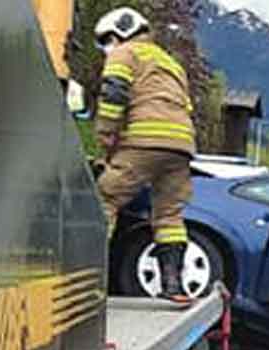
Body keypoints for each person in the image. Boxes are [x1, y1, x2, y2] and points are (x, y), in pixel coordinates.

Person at [93, 7, 196, 304]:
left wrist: (106, 136)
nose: (107, 48)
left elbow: (114, 95)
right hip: (181, 147)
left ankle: (90, 280)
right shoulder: (170, 63)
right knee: (169, 215)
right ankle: (174, 285)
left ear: (119, 32)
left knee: (105, 199)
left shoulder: (125, 54)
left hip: (145, 141)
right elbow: (180, 107)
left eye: (107, 40)